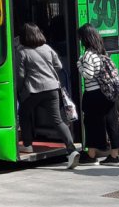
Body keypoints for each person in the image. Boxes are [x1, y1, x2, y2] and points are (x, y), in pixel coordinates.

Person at [14, 23, 78, 168]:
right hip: (52, 88)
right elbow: (59, 67)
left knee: (24, 113)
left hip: (34, 90)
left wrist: (18, 90)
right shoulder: (47, 48)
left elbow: (20, 75)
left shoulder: (22, 51)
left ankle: (28, 144)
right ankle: (71, 149)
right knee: (57, 120)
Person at [76, 25, 119, 165]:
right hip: (107, 93)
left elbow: (88, 74)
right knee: (112, 123)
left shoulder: (88, 55)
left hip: (94, 95)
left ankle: (91, 156)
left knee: (91, 124)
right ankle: (114, 157)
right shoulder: (102, 52)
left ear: (85, 38)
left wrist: (79, 64)